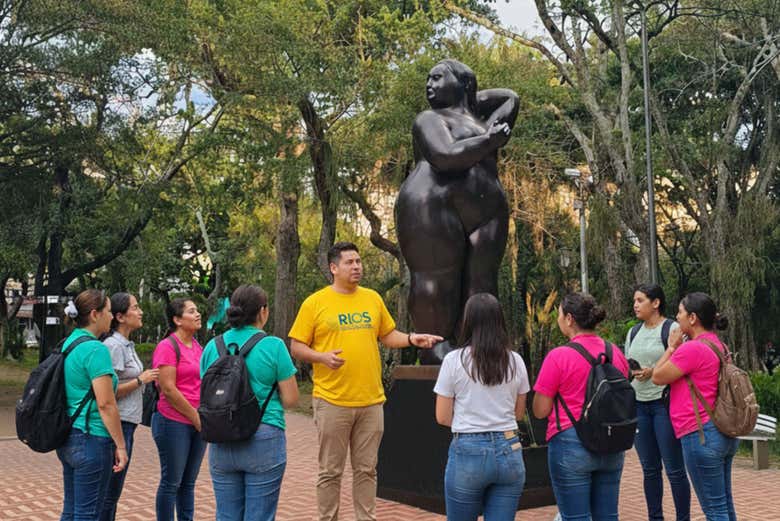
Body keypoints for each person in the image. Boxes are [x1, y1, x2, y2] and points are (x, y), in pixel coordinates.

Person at [289, 241, 442, 521]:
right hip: (332, 400)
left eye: (358, 261)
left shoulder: (372, 298)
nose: (357, 266)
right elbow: (296, 346)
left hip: (371, 401)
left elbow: (387, 335)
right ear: (333, 268)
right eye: (350, 262)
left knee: (367, 470)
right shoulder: (316, 302)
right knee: (330, 471)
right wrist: (321, 357)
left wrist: (411, 339)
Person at [395, 59, 519, 364]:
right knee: (436, 279)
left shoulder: (478, 120)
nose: (429, 85)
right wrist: (490, 139)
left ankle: (479, 345)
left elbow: (511, 98)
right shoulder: (429, 119)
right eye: (428, 79)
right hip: (432, 203)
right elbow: (445, 156)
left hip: (486, 210)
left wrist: (471, 98)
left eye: (437, 77)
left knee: (482, 282)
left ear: (463, 83)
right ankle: (436, 346)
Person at [200, 285, 299, 521]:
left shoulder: (212, 347)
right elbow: (292, 399)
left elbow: (205, 393)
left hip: (221, 438)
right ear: (263, 311)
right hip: (263, 437)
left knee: (226, 515)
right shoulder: (273, 346)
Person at [532, 293, 630, 521]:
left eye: (559, 315)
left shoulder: (559, 356)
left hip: (571, 444)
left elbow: (540, 410)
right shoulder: (615, 352)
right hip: (612, 443)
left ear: (569, 319)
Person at [434, 292, 530, 521]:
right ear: (500, 321)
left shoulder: (454, 361)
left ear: (468, 321)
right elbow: (518, 413)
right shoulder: (515, 360)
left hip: (468, 449)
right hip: (509, 449)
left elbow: (442, 416)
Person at [652, 292, 739, 521]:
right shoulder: (719, 345)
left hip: (699, 433)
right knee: (724, 504)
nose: (676, 318)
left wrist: (671, 347)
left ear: (692, 318)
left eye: (680, 312)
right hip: (722, 431)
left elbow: (658, 376)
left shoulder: (691, 349)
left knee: (714, 510)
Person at [59, 289, 128, 521]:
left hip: (69, 436)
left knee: (71, 511)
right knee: (89, 514)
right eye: (108, 311)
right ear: (95, 314)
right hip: (93, 438)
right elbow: (106, 404)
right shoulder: (96, 350)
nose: (111, 316)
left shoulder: (70, 343)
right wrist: (121, 446)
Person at [624, 284, 690, 521]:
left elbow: (682, 363)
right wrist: (635, 373)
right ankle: (655, 518)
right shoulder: (633, 332)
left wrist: (655, 371)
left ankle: (683, 518)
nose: (635, 305)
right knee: (650, 470)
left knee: (674, 469)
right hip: (639, 407)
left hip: (664, 405)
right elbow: (626, 365)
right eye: (634, 300)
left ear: (656, 303)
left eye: (640, 300)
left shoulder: (672, 328)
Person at [99, 292, 159, 521]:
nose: (140, 311)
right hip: (118, 424)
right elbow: (107, 390)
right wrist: (140, 380)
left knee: (113, 493)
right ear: (120, 316)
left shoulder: (126, 345)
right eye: (135, 307)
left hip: (128, 423)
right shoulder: (113, 346)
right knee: (109, 493)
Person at [151, 298, 206, 521]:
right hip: (172, 421)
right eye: (191, 311)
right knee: (171, 482)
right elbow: (168, 389)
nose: (197, 314)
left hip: (197, 421)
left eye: (197, 310)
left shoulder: (199, 347)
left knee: (188, 483)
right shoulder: (167, 346)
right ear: (177, 320)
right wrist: (195, 416)